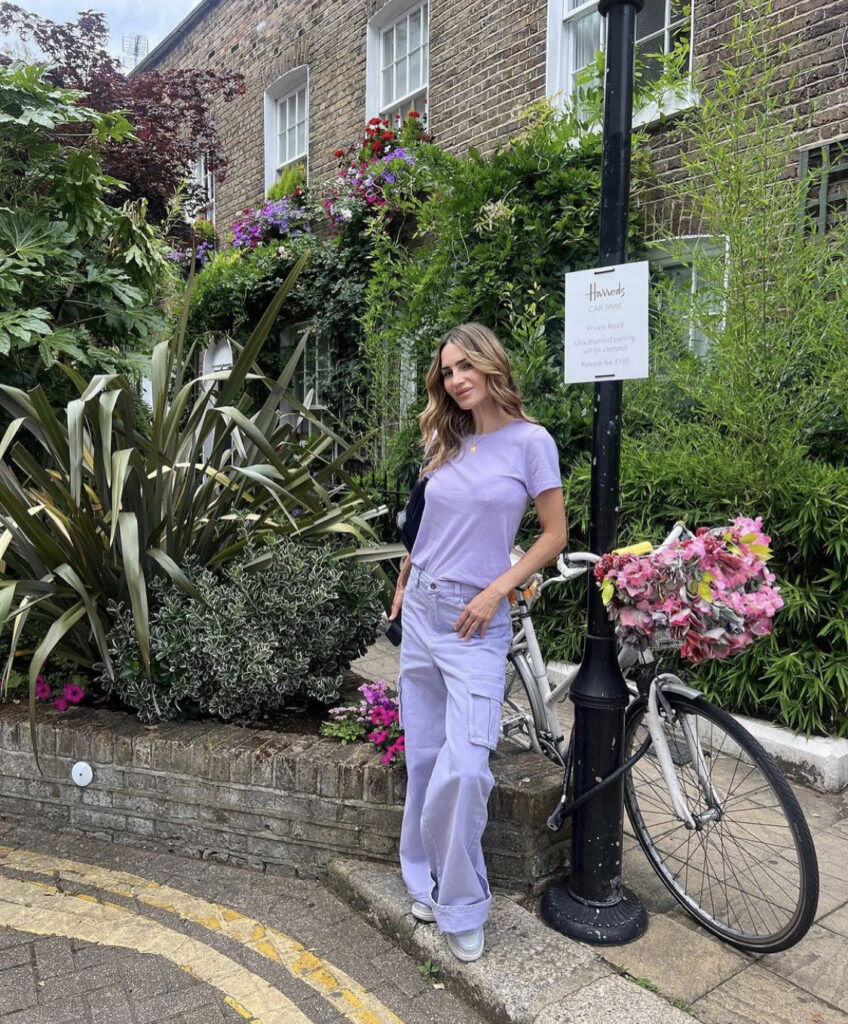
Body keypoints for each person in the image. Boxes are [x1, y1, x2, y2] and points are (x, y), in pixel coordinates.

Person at [389, 322, 567, 962]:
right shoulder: (447, 439)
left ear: (493, 366)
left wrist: (499, 590)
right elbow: (423, 524)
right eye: (447, 372)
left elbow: (552, 535)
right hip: (423, 615)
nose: (457, 380)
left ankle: (461, 904)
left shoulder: (531, 442)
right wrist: (403, 587)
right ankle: (426, 878)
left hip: (476, 624)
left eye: (466, 366)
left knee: (466, 767)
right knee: (424, 759)